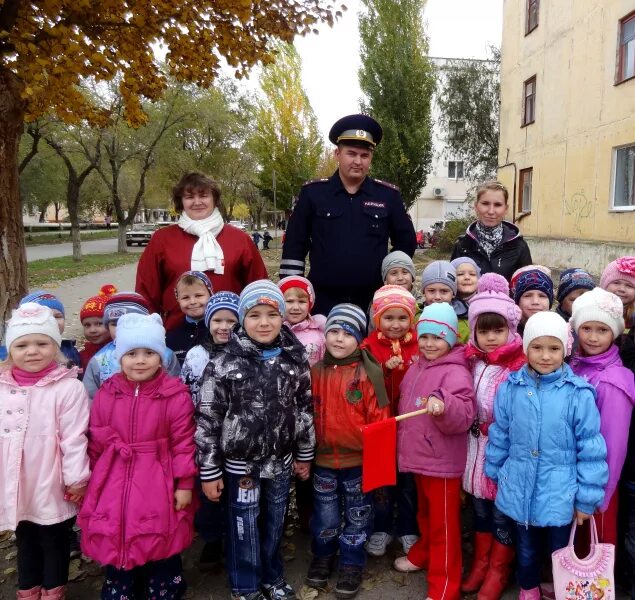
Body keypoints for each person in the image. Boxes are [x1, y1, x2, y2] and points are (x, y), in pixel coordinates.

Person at [195, 280, 315, 600]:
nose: (264, 323)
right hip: (240, 466)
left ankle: (272, 576)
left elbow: (304, 407)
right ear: (242, 320)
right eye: (254, 315)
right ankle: (245, 585)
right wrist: (210, 470)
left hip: (280, 462)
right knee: (244, 526)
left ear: (282, 317)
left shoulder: (294, 358)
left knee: (275, 522)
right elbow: (208, 419)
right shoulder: (223, 362)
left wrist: (305, 453)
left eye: (272, 314)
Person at [485, 311, 608, 600]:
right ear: (526, 347)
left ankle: (560, 588)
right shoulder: (511, 388)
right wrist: (495, 472)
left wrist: (586, 499)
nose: (545, 356)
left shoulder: (578, 394)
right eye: (537, 347)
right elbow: (500, 433)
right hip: (519, 487)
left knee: (560, 551)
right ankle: (529, 589)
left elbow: (590, 449)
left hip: (561, 493)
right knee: (525, 549)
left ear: (565, 350)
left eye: (554, 348)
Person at [79, 312, 197, 599]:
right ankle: (121, 579)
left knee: (159, 528)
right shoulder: (109, 392)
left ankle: (164, 581)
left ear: (161, 357)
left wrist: (184, 484)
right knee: (117, 525)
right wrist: (91, 476)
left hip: (158, 475)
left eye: (149, 352)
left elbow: (183, 442)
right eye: (132, 353)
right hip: (114, 475)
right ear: (120, 356)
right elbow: (97, 436)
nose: (140, 360)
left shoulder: (174, 395)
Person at [280, 114, 417, 316]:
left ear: (371, 157)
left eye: (364, 155)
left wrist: (394, 277)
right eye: (351, 154)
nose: (358, 161)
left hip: (374, 300)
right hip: (322, 300)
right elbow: (294, 245)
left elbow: (406, 243)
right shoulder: (314, 193)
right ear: (337, 154)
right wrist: (293, 292)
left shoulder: (388, 196)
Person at [0, 303, 90, 600]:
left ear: (55, 346)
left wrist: (76, 478)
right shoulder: (3, 387)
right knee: (24, 537)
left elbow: (74, 437)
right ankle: (28, 589)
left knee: (53, 538)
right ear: (10, 349)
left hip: (52, 479)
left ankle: (53, 590)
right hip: (16, 482)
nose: (33, 351)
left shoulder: (67, 388)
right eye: (22, 344)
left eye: (42, 343)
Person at [306, 304, 391, 599]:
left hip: (359, 461)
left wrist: (377, 464)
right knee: (325, 515)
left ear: (360, 338)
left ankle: (352, 561)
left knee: (358, 514)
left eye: (347, 333)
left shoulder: (369, 374)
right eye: (333, 332)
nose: (339, 339)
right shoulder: (315, 372)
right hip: (324, 460)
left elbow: (380, 420)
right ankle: (323, 555)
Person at [393, 302, 476, 600]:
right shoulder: (418, 365)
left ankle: (444, 586)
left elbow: (465, 414)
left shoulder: (455, 372)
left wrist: (445, 405)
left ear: (451, 338)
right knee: (425, 514)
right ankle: (424, 553)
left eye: (437, 337)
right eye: (425, 336)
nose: (429, 343)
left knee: (444, 525)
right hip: (419, 457)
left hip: (441, 462)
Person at [136, 172, 268, 331]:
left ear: (214, 199)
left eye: (203, 196)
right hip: (177, 333)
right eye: (189, 197)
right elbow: (146, 292)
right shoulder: (162, 239)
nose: (197, 202)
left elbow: (258, 288)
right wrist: (150, 331)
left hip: (231, 332)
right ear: (181, 202)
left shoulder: (240, 239)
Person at [462, 273, 525, 599]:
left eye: (498, 330)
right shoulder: (470, 360)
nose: (490, 338)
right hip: (473, 450)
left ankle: (499, 569)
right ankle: (481, 563)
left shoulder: (518, 366)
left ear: (511, 330)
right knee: (480, 511)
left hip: (503, 452)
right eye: (483, 331)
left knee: (501, 513)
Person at [569, 288, 635, 544]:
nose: (593, 338)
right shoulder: (576, 365)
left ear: (615, 332)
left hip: (596, 485)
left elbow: (613, 446)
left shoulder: (613, 382)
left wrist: (601, 496)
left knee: (594, 548)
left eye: (602, 330)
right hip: (572, 473)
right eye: (587, 329)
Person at [181, 291, 239, 571]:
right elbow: (186, 391)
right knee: (209, 493)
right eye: (217, 320)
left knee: (235, 490)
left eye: (231, 320)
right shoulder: (196, 355)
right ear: (207, 321)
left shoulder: (244, 352)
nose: (224, 326)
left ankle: (235, 538)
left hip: (238, 434)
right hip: (205, 432)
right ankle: (212, 539)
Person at [361, 286, 420, 557]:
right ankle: (382, 527)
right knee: (383, 481)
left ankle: (408, 528)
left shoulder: (421, 344)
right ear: (377, 318)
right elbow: (363, 385)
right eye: (388, 318)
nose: (395, 325)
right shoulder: (368, 347)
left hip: (411, 426)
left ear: (411, 319)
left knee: (408, 481)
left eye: (402, 318)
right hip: (382, 424)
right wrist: (384, 370)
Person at [83, 291, 180, 400]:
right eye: (114, 324)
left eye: (128, 323)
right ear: (107, 326)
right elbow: (90, 398)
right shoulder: (99, 360)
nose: (121, 329)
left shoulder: (165, 355)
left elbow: (175, 389)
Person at [451, 180, 532, 281]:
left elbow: (527, 287)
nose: (491, 211)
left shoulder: (519, 246)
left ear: (505, 209)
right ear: (476, 206)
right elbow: (453, 285)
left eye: (498, 205)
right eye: (485, 203)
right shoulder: (463, 245)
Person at [19, 291, 81, 369]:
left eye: (58, 316)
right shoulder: (17, 352)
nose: (53, 321)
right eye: (46, 316)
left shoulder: (70, 350)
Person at [166, 271, 214, 366]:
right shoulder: (171, 338)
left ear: (210, 295)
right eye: (185, 297)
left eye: (198, 296)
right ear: (178, 300)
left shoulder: (218, 332)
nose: (192, 301)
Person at [278, 275, 326, 367]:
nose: (296, 307)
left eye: (301, 302)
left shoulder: (320, 335)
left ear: (309, 304)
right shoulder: (274, 333)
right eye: (289, 301)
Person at [421, 260, 470, 343]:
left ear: (454, 293)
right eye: (431, 291)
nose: (437, 297)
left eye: (444, 291)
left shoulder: (465, 323)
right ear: (423, 292)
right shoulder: (416, 317)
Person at [78, 284, 118, 371]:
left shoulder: (119, 351)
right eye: (87, 325)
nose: (92, 330)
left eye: (99, 324)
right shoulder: (83, 355)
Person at [512, 268, 554, 336]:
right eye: (527, 296)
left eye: (542, 296)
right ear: (517, 301)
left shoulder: (559, 332)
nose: (535, 301)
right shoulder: (507, 333)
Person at [600, 256, 635, 328]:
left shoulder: (633, 317)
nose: (622, 289)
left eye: (629, 286)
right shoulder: (594, 308)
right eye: (616, 283)